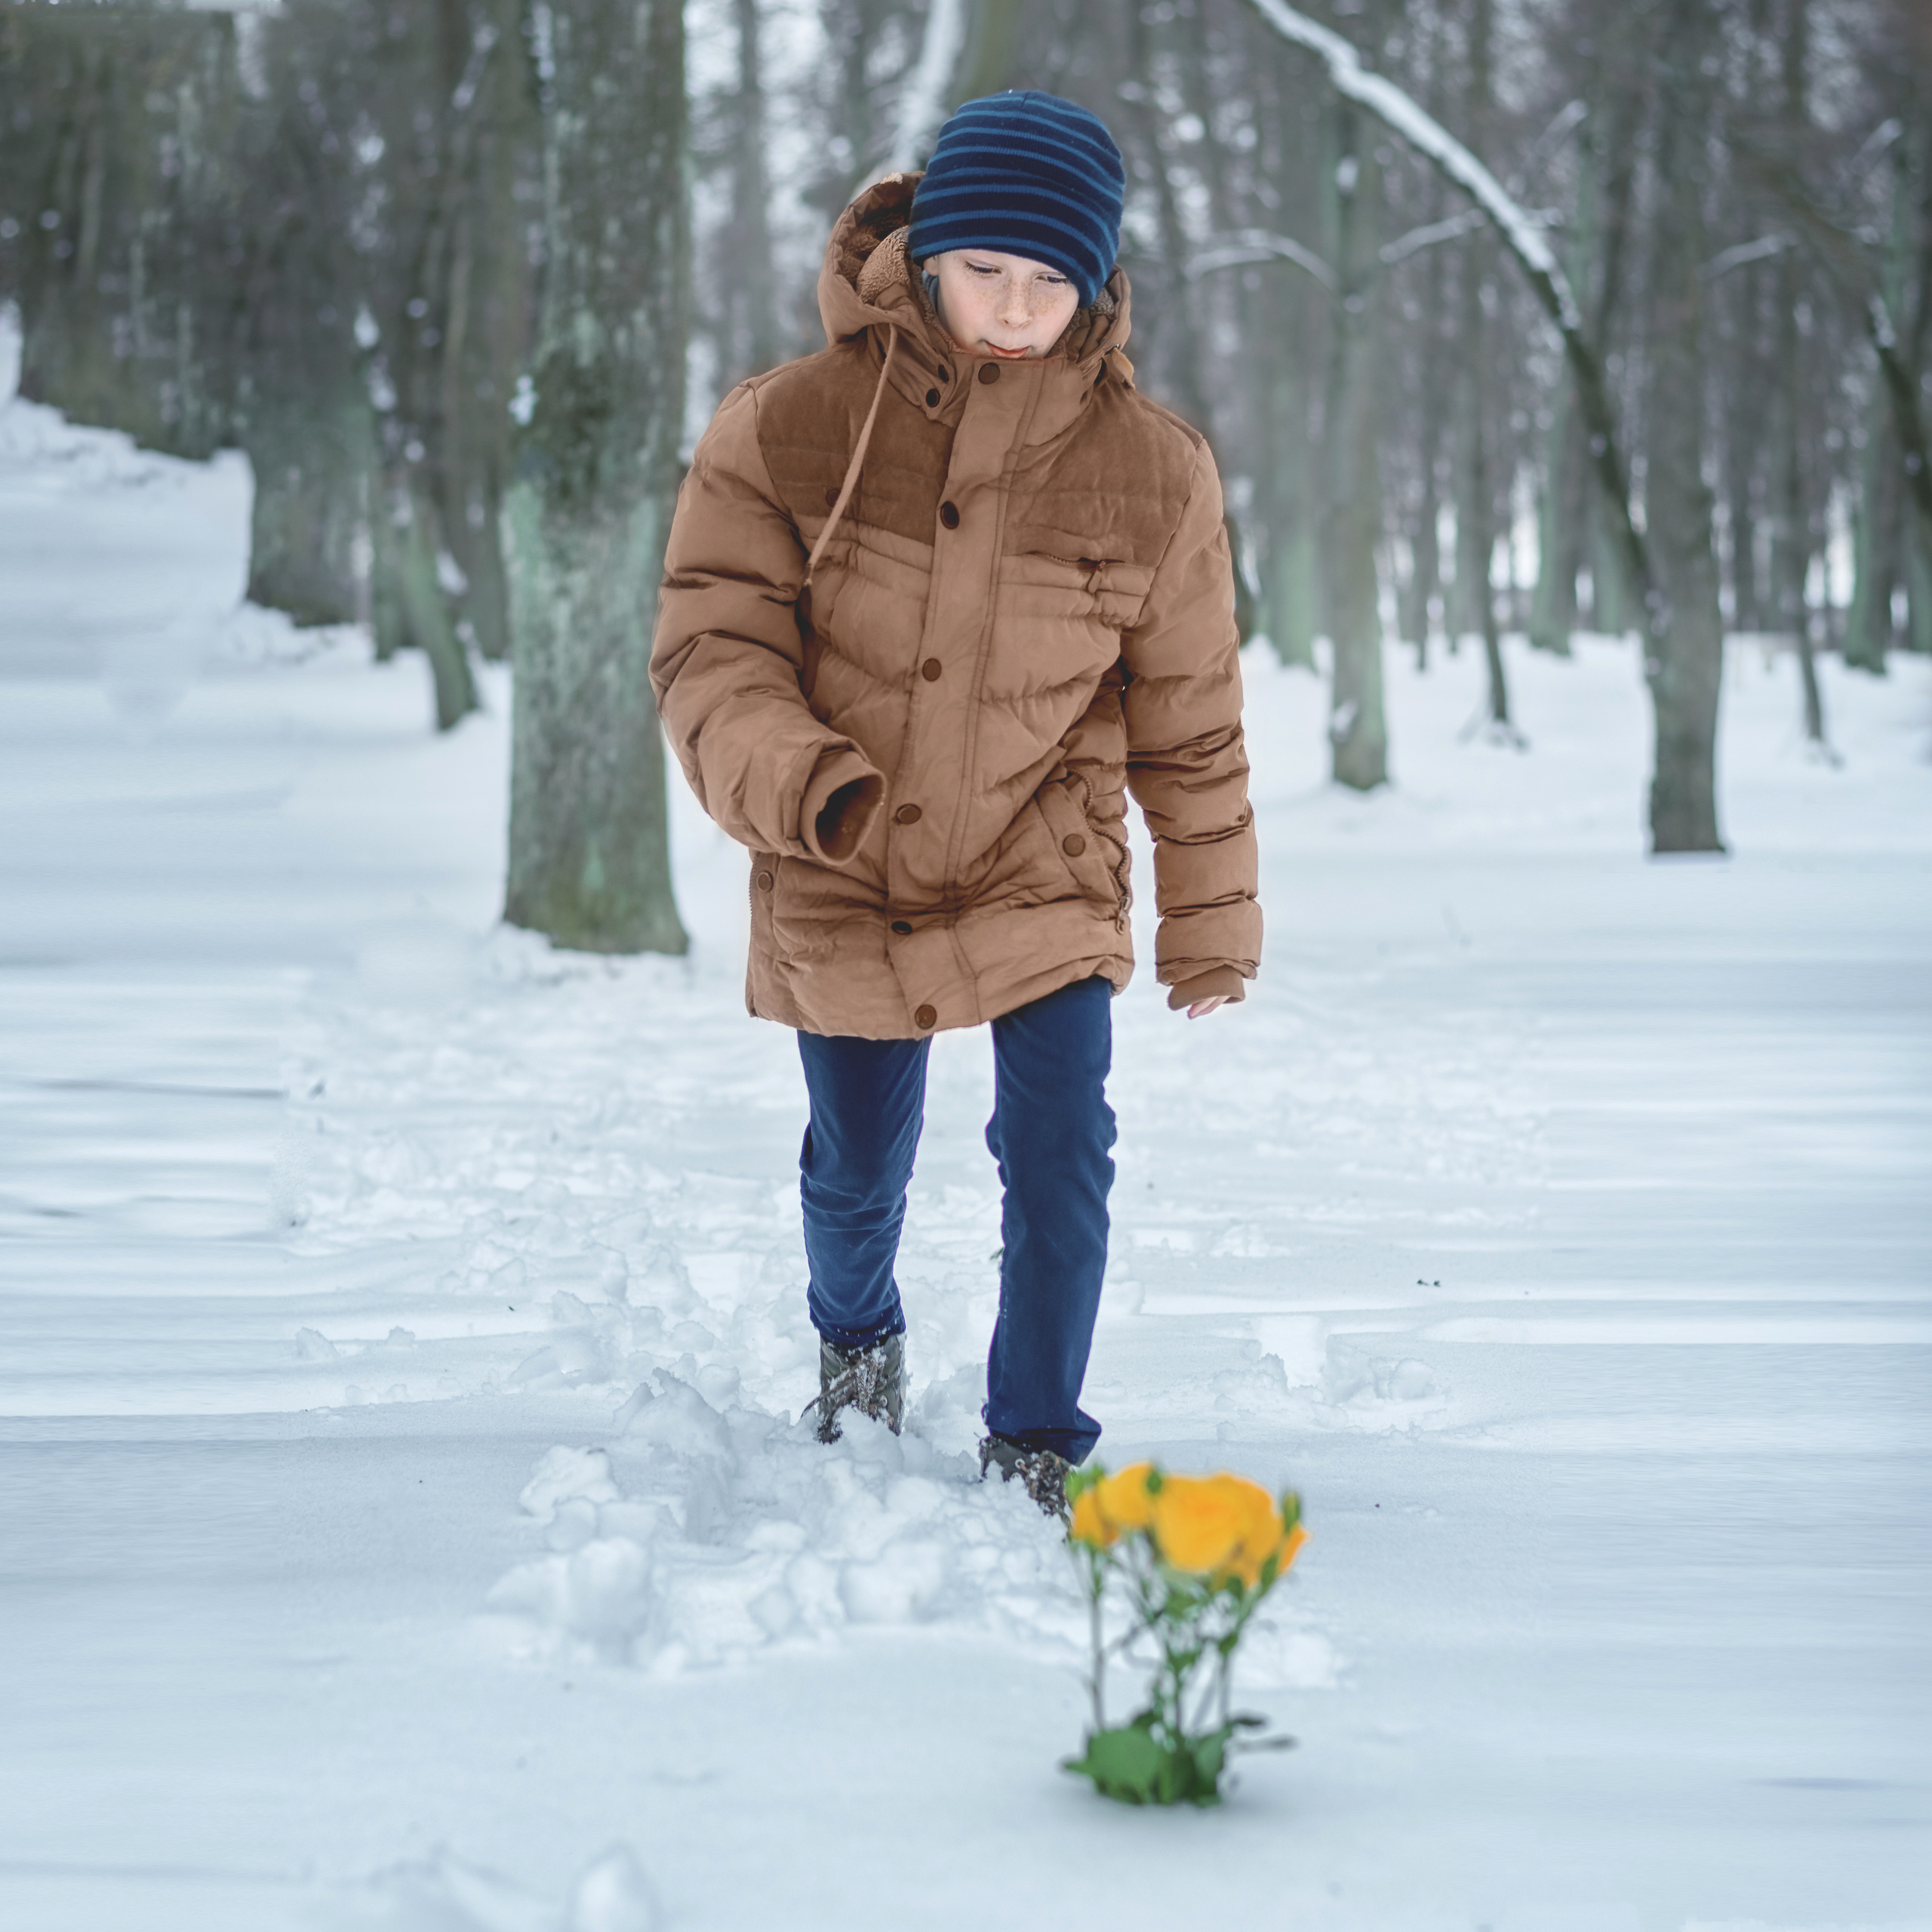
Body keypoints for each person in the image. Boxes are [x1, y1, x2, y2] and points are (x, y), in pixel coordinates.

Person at [650, 91, 1261, 1515]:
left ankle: (1035, 1438)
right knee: (858, 1164)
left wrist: (1214, 916)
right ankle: (855, 1340)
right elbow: (708, 646)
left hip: (1042, 860)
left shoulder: (1153, 475)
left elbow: (1192, 716)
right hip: (843, 846)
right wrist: (805, 785)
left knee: (1061, 1154)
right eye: (987, 269)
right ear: (925, 253)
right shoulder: (789, 426)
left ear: (1095, 284)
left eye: (1053, 281)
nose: (1014, 309)